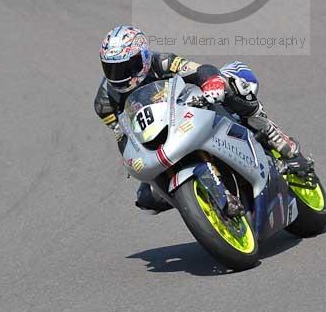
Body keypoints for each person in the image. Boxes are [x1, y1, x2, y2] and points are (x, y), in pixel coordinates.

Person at [95, 25, 313, 214]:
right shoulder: (104, 102)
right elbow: (122, 136)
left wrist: (210, 83)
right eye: (111, 68)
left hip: (190, 110)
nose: (120, 75)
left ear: (143, 57)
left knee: (233, 85)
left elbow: (197, 69)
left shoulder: (160, 61)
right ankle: (200, 204)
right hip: (157, 138)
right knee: (147, 198)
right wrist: (131, 159)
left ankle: (273, 136)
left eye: (126, 67)